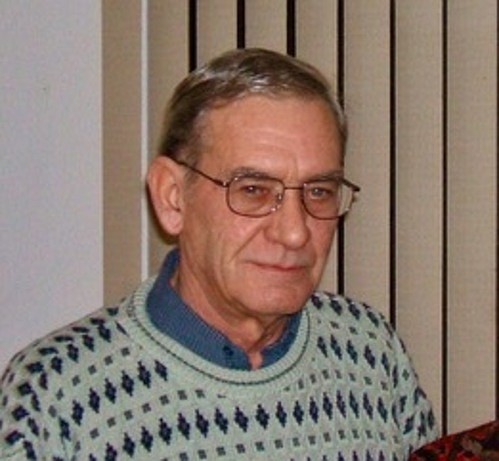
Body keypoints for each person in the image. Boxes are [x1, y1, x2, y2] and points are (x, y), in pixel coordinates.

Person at [0, 48, 439, 460]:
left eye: (319, 192)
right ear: (173, 198)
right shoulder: (57, 394)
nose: (294, 232)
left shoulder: (370, 352)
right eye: (253, 190)